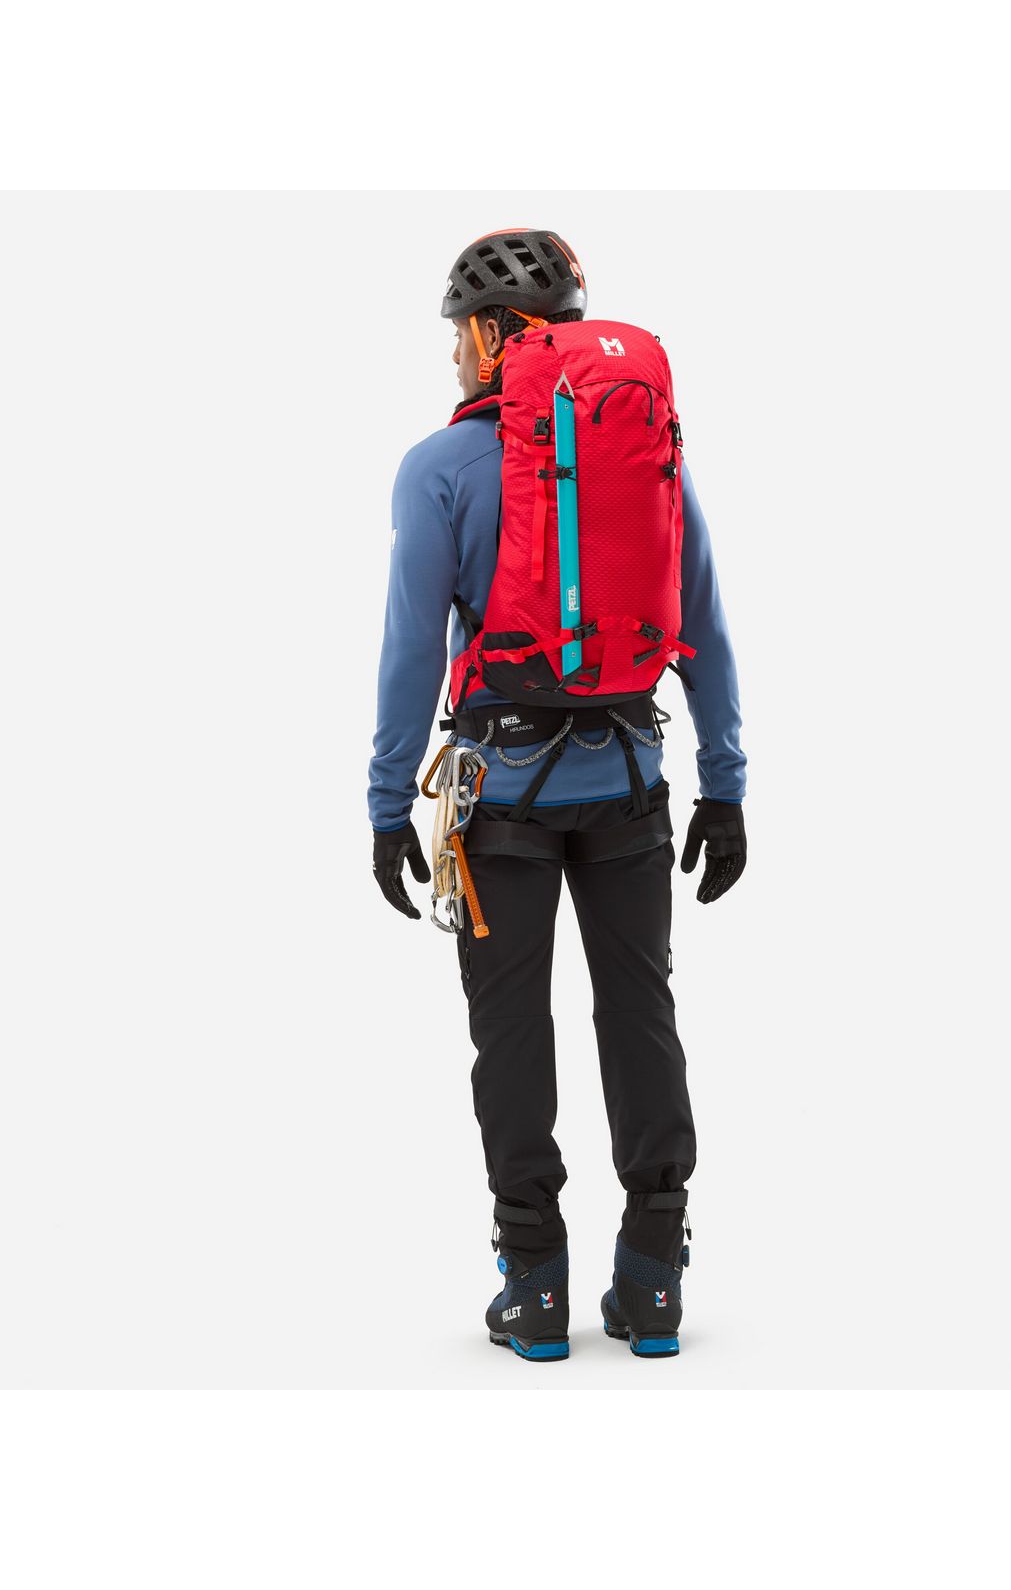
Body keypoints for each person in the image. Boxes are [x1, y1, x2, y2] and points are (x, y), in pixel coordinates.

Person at [368, 228, 747, 1360]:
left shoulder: (439, 468)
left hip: (501, 801)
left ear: (495, 334)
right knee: (641, 1013)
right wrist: (724, 786)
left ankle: (534, 1286)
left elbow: (410, 655)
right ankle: (654, 1279)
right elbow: (703, 621)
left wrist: (387, 803)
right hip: (632, 781)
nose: (451, 353)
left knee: (510, 1031)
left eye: (458, 332)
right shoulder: (647, 448)